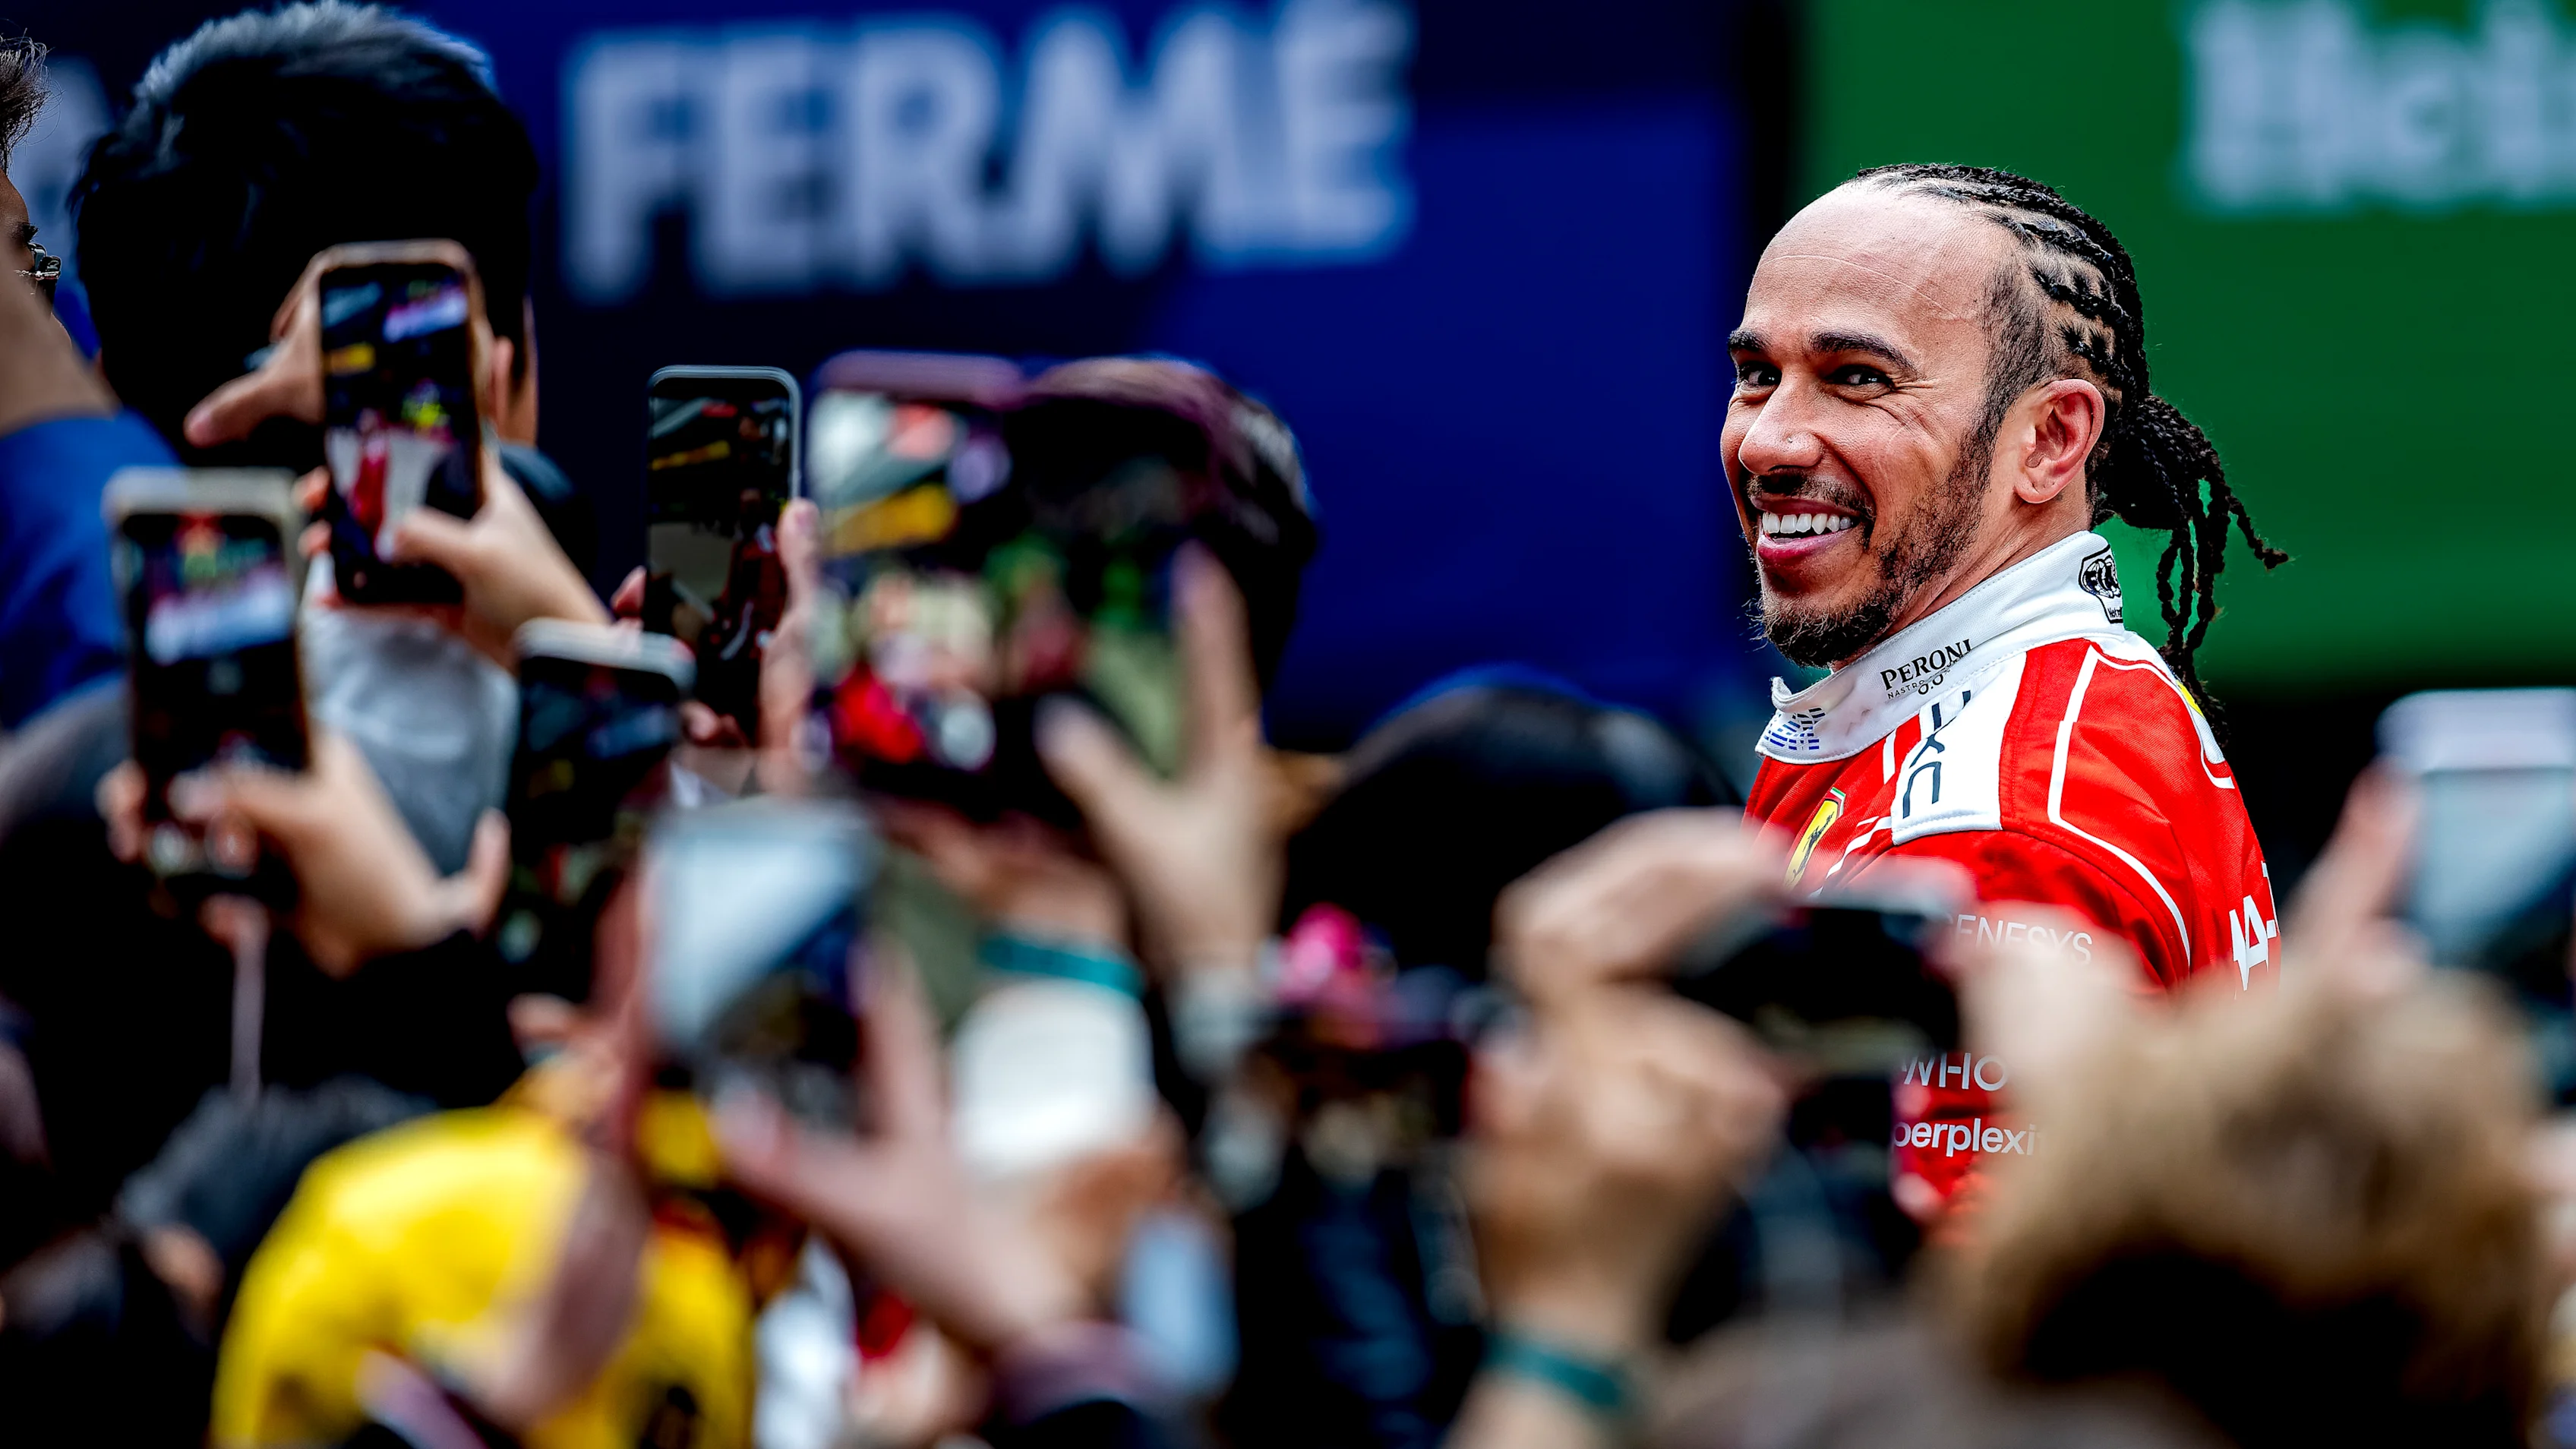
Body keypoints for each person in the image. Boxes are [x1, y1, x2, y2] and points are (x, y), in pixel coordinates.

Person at [1713, 163, 2287, 1217]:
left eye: (1857, 380)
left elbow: (1963, 1352)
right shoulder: (2051, 690)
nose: (1771, 440)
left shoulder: (1983, 829)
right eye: (1758, 375)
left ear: (2051, 441)